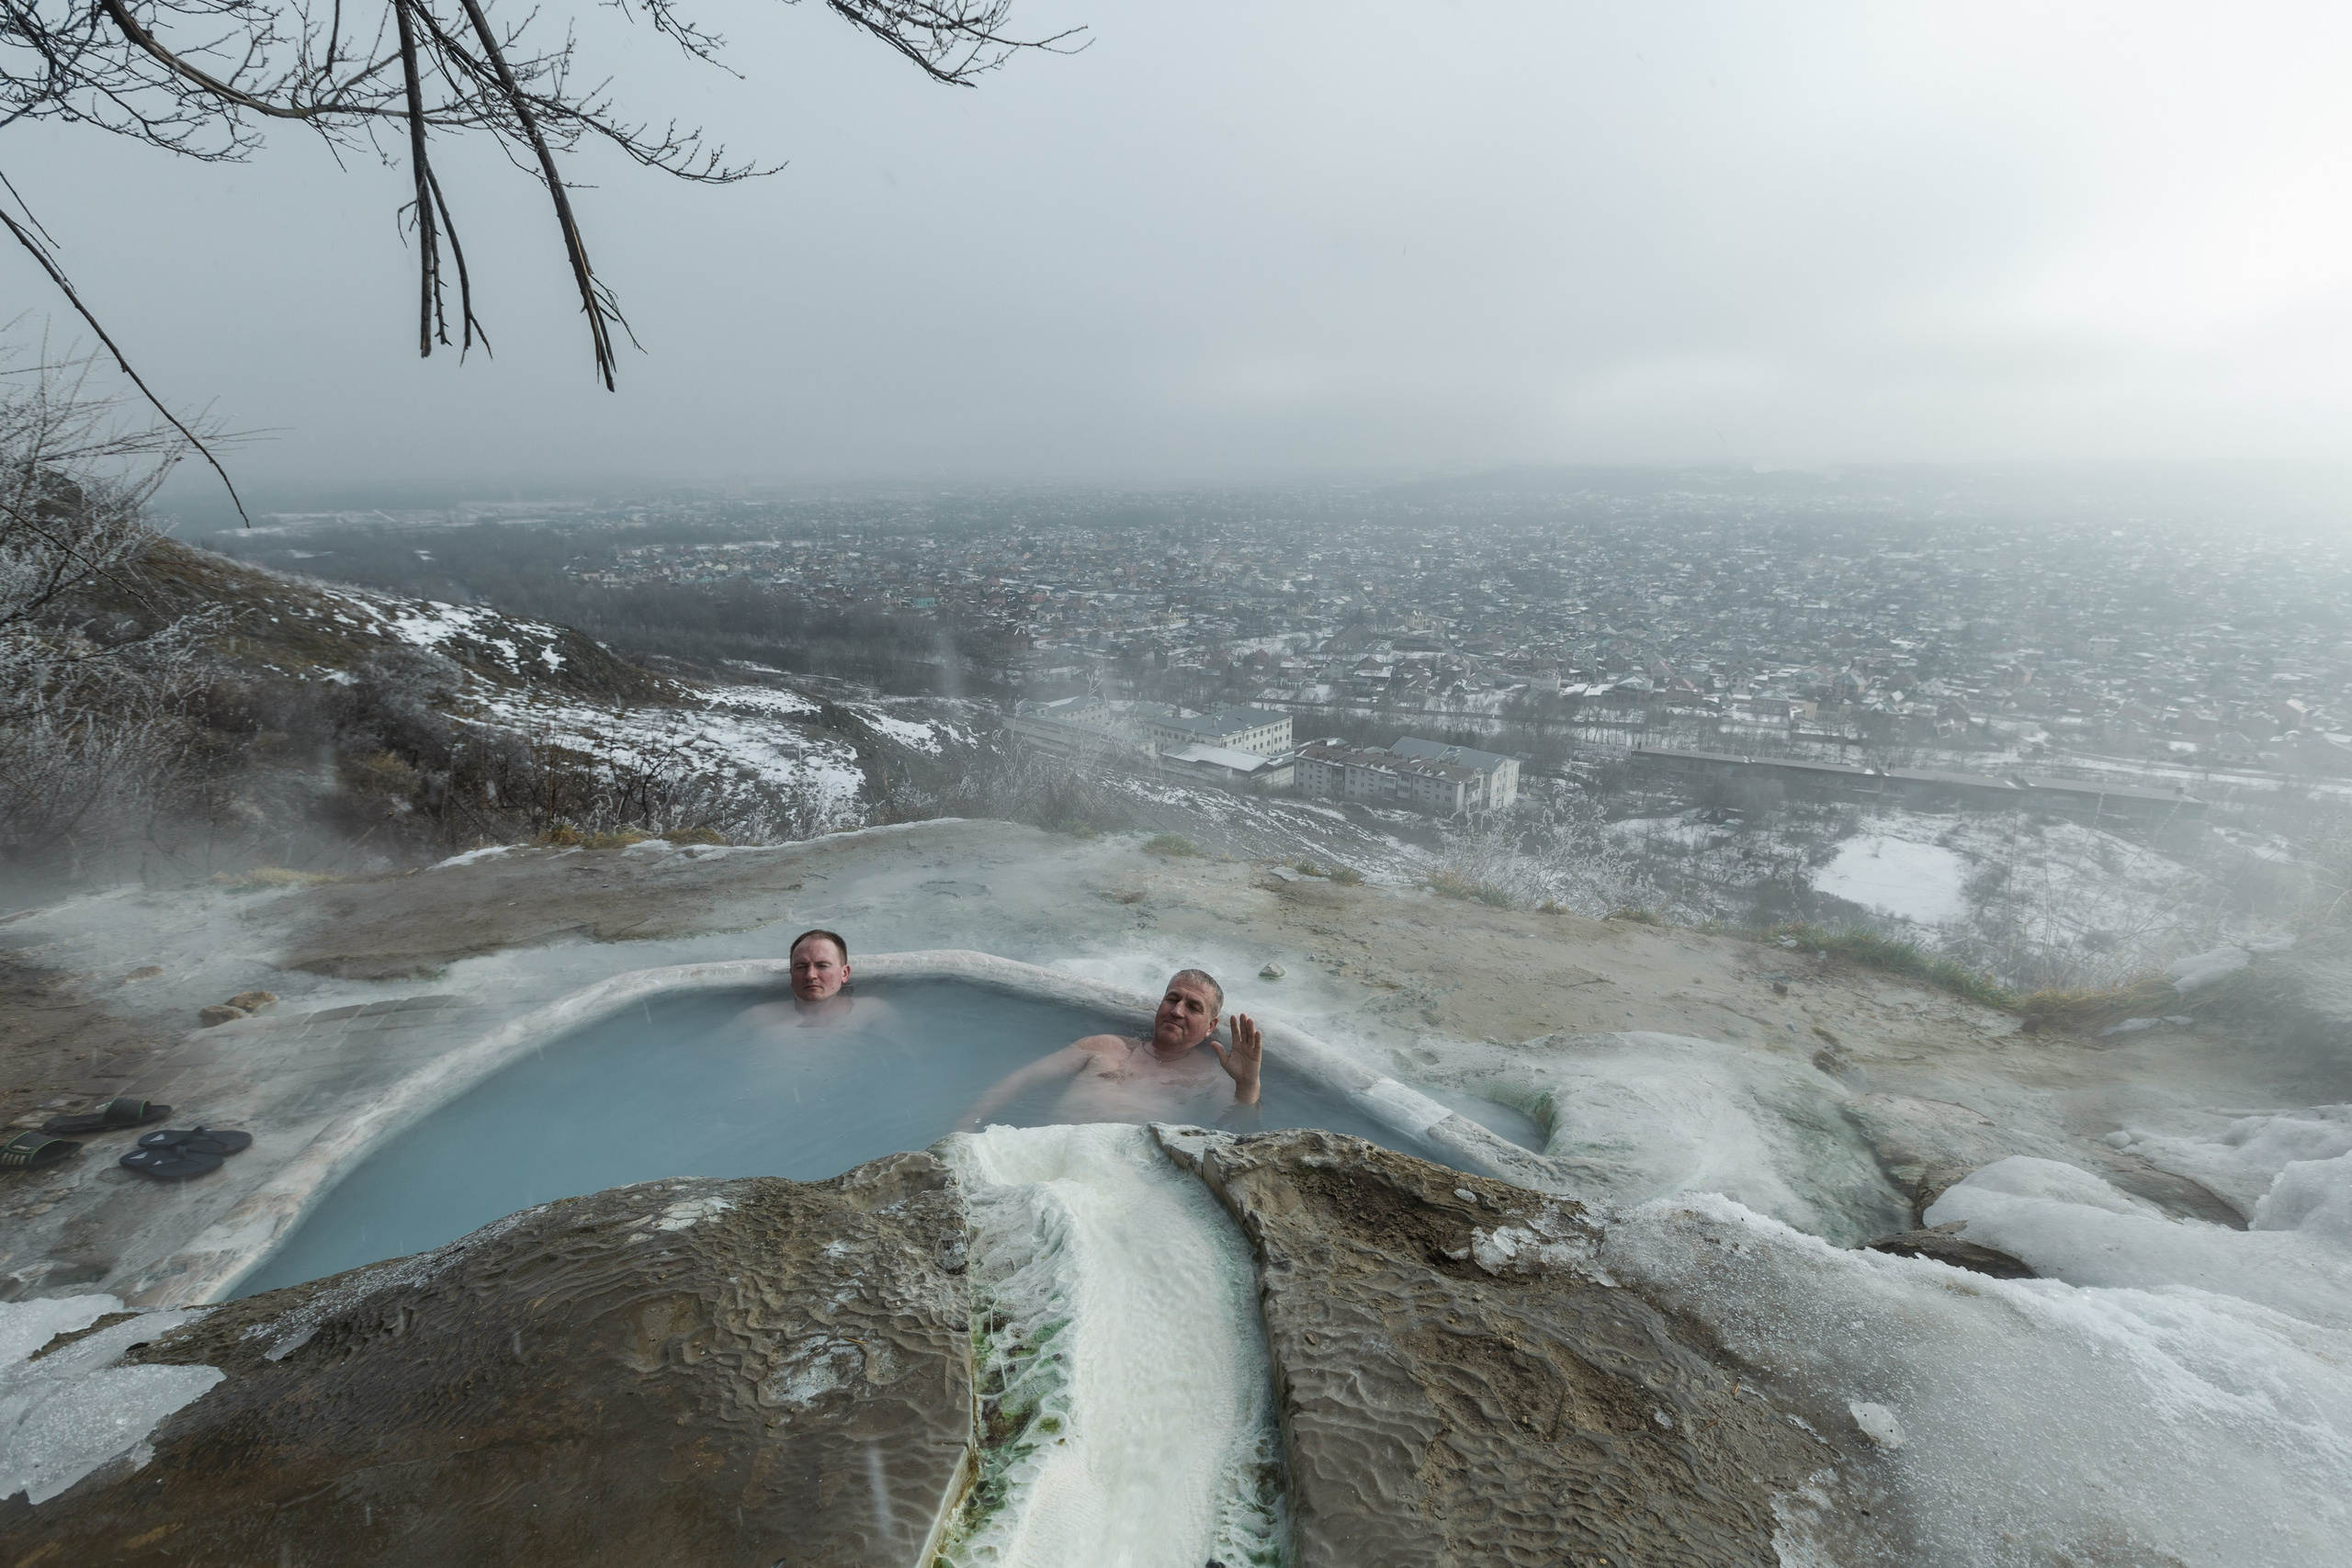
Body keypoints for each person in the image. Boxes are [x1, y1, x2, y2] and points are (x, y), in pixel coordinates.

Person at [953, 968, 1263, 1133]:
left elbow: (1236, 1131)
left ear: (1211, 1027)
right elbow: (1019, 1081)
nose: (1177, 1011)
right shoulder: (1104, 1046)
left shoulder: (1207, 1076)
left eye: (1193, 1006)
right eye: (1172, 999)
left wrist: (1248, 1084)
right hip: (1049, 1146)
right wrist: (964, 1128)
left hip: (1121, 1173)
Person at [746, 929, 895, 1032]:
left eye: (822, 966)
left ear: (844, 973)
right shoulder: (759, 1018)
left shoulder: (873, 1012)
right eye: (801, 966)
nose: (810, 975)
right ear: (791, 975)